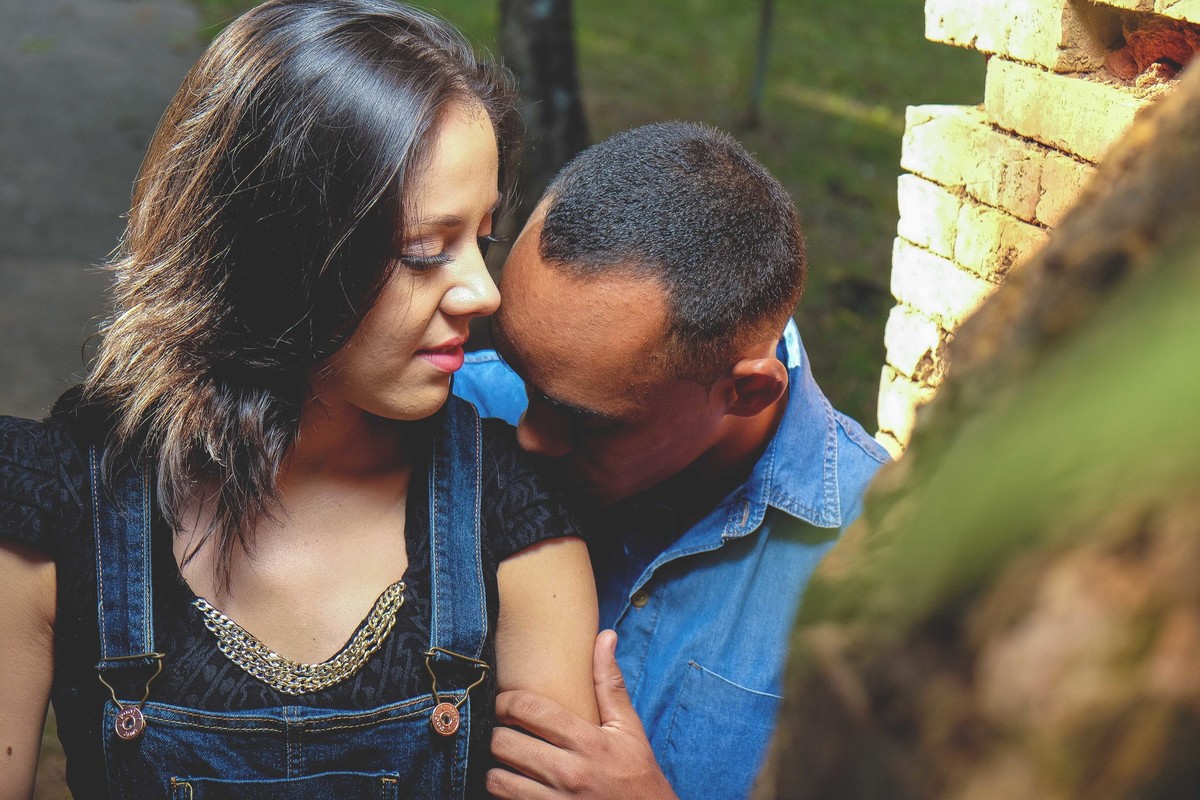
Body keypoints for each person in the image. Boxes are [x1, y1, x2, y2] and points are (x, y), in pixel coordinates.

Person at [0, 2, 599, 798]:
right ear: (279, 250)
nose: (481, 292)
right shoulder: (55, 505)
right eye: (424, 252)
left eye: (481, 238)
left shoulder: (513, 520)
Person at [453, 121, 890, 800]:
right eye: (518, 369)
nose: (529, 435)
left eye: (582, 420)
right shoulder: (454, 412)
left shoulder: (885, 574)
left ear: (745, 392)